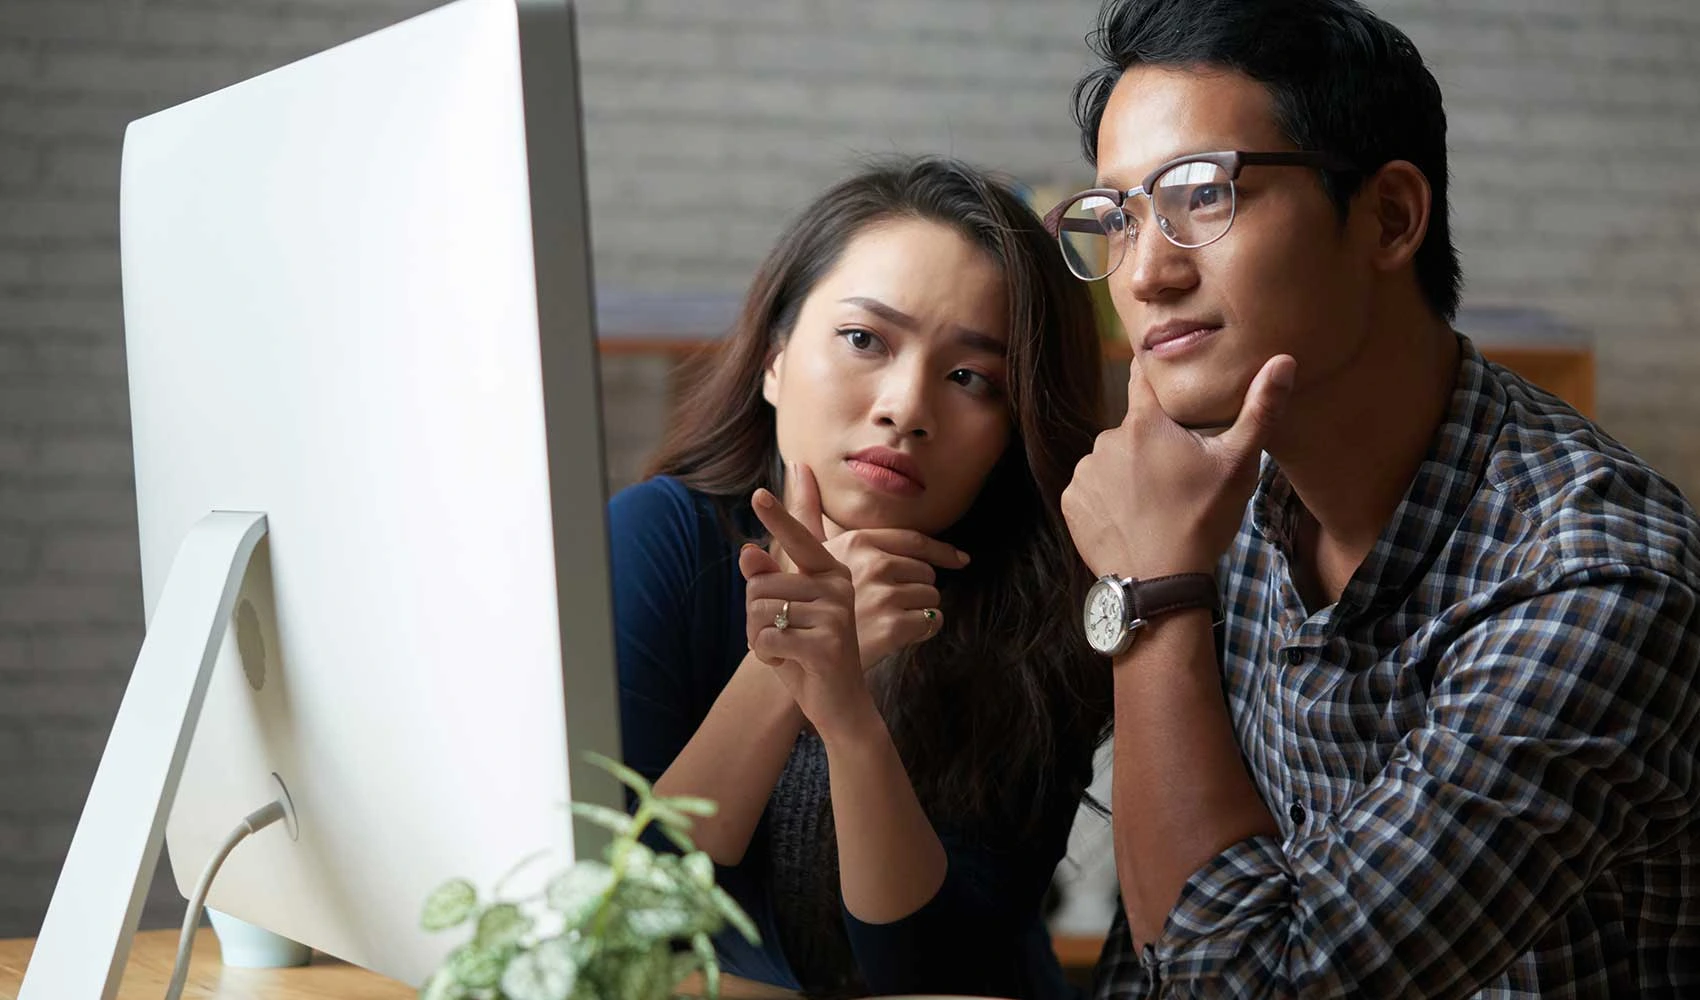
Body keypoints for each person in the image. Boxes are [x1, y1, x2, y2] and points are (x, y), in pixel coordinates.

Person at [1045, 1, 1700, 996]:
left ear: (1389, 217)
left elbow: (1245, 984)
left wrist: (1149, 595)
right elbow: (1156, 936)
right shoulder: (1228, 494)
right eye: (1119, 218)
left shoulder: (1597, 578)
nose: (1144, 272)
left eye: (1199, 196)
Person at [609, 156, 1114, 999]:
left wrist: (849, 717)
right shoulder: (661, 538)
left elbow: (932, 976)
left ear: (1014, 424)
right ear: (774, 359)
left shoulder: (1042, 611)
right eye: (864, 340)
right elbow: (620, 909)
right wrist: (782, 668)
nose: (905, 406)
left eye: (970, 379)